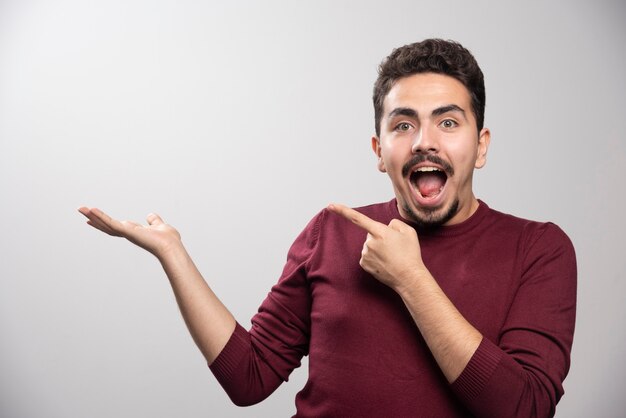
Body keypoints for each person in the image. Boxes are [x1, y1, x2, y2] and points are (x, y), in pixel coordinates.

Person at [79, 39, 576, 417]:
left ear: (481, 145)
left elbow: (525, 408)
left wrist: (411, 279)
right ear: (380, 151)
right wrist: (174, 255)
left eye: (448, 122)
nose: (425, 141)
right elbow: (250, 377)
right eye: (403, 125)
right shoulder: (331, 232)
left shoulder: (538, 248)